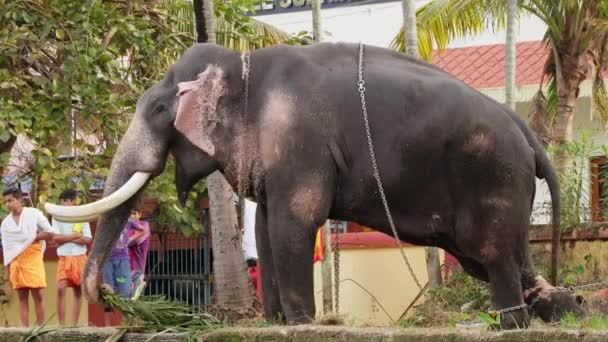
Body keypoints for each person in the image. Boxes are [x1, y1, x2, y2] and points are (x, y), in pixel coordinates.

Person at [0, 188, 56, 326]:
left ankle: (41, 328)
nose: (8, 204)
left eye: (11, 200)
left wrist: (34, 237)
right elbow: (7, 249)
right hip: (16, 262)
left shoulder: (34, 213)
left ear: (20, 200)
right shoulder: (5, 224)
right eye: (6, 201)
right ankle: (24, 330)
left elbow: (49, 233)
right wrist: (7, 270)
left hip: (33, 258)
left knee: (38, 296)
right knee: (22, 298)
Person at [51, 188, 91, 326]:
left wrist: (65, 238)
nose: (63, 203)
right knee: (60, 288)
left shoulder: (81, 215)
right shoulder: (56, 216)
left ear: (73, 201)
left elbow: (87, 239)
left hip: (80, 257)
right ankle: (61, 325)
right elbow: (55, 238)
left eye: (66, 201)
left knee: (78, 290)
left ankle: (74, 325)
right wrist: (74, 236)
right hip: (64, 257)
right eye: (62, 201)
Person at [102, 222, 131, 326]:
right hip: (107, 261)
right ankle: (107, 324)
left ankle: (125, 322)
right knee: (107, 292)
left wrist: (130, 239)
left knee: (123, 289)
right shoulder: (106, 222)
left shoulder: (128, 222)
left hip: (122, 261)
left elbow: (143, 230)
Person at [126, 208, 150, 298]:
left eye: (134, 213)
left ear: (140, 214)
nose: (131, 216)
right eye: (129, 214)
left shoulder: (144, 225)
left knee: (134, 299)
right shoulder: (126, 228)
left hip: (137, 269)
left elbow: (137, 241)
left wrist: (124, 242)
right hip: (125, 269)